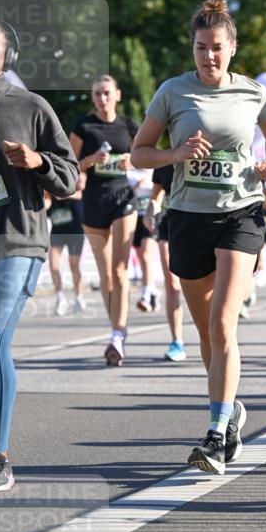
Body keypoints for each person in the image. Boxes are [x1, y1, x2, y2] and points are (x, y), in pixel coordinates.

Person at [131, 0, 266, 475]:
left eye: (217, 48)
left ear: (232, 48)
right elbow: (138, 154)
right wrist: (175, 155)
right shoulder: (173, 92)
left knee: (223, 323)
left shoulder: (253, 93)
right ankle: (231, 409)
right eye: (201, 48)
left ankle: (217, 434)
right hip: (187, 216)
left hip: (241, 212)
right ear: (192, 49)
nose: (209, 57)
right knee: (206, 333)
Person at [0, 18, 79, 491]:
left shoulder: (32, 106)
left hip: (16, 238)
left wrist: (38, 162)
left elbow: (69, 178)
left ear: (8, 52)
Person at [69, 75, 139, 366]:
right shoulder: (83, 126)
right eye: (97, 94)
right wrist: (90, 161)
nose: (103, 98)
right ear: (92, 96)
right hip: (94, 202)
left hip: (123, 197)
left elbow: (144, 156)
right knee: (106, 275)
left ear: (118, 95)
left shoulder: (129, 125)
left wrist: (130, 161)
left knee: (121, 269)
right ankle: (117, 330)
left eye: (107, 93)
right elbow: (69, 165)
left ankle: (117, 336)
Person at [143, 164, 187, 362]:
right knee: (171, 284)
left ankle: (216, 336)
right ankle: (177, 341)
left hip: (202, 222)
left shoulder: (203, 150)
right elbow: (156, 195)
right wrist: (150, 211)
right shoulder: (162, 158)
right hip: (170, 223)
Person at [47, 175, 88, 315]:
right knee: (53, 265)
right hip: (57, 230)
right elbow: (46, 200)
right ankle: (60, 298)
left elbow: (83, 191)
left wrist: (65, 195)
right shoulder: (50, 183)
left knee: (74, 265)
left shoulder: (74, 175)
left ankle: (79, 297)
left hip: (75, 231)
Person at [130, 165, 160, 312]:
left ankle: (145, 295)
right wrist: (136, 186)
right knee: (142, 257)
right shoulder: (129, 173)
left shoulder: (154, 171)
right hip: (134, 218)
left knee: (146, 255)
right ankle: (153, 289)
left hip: (150, 217)